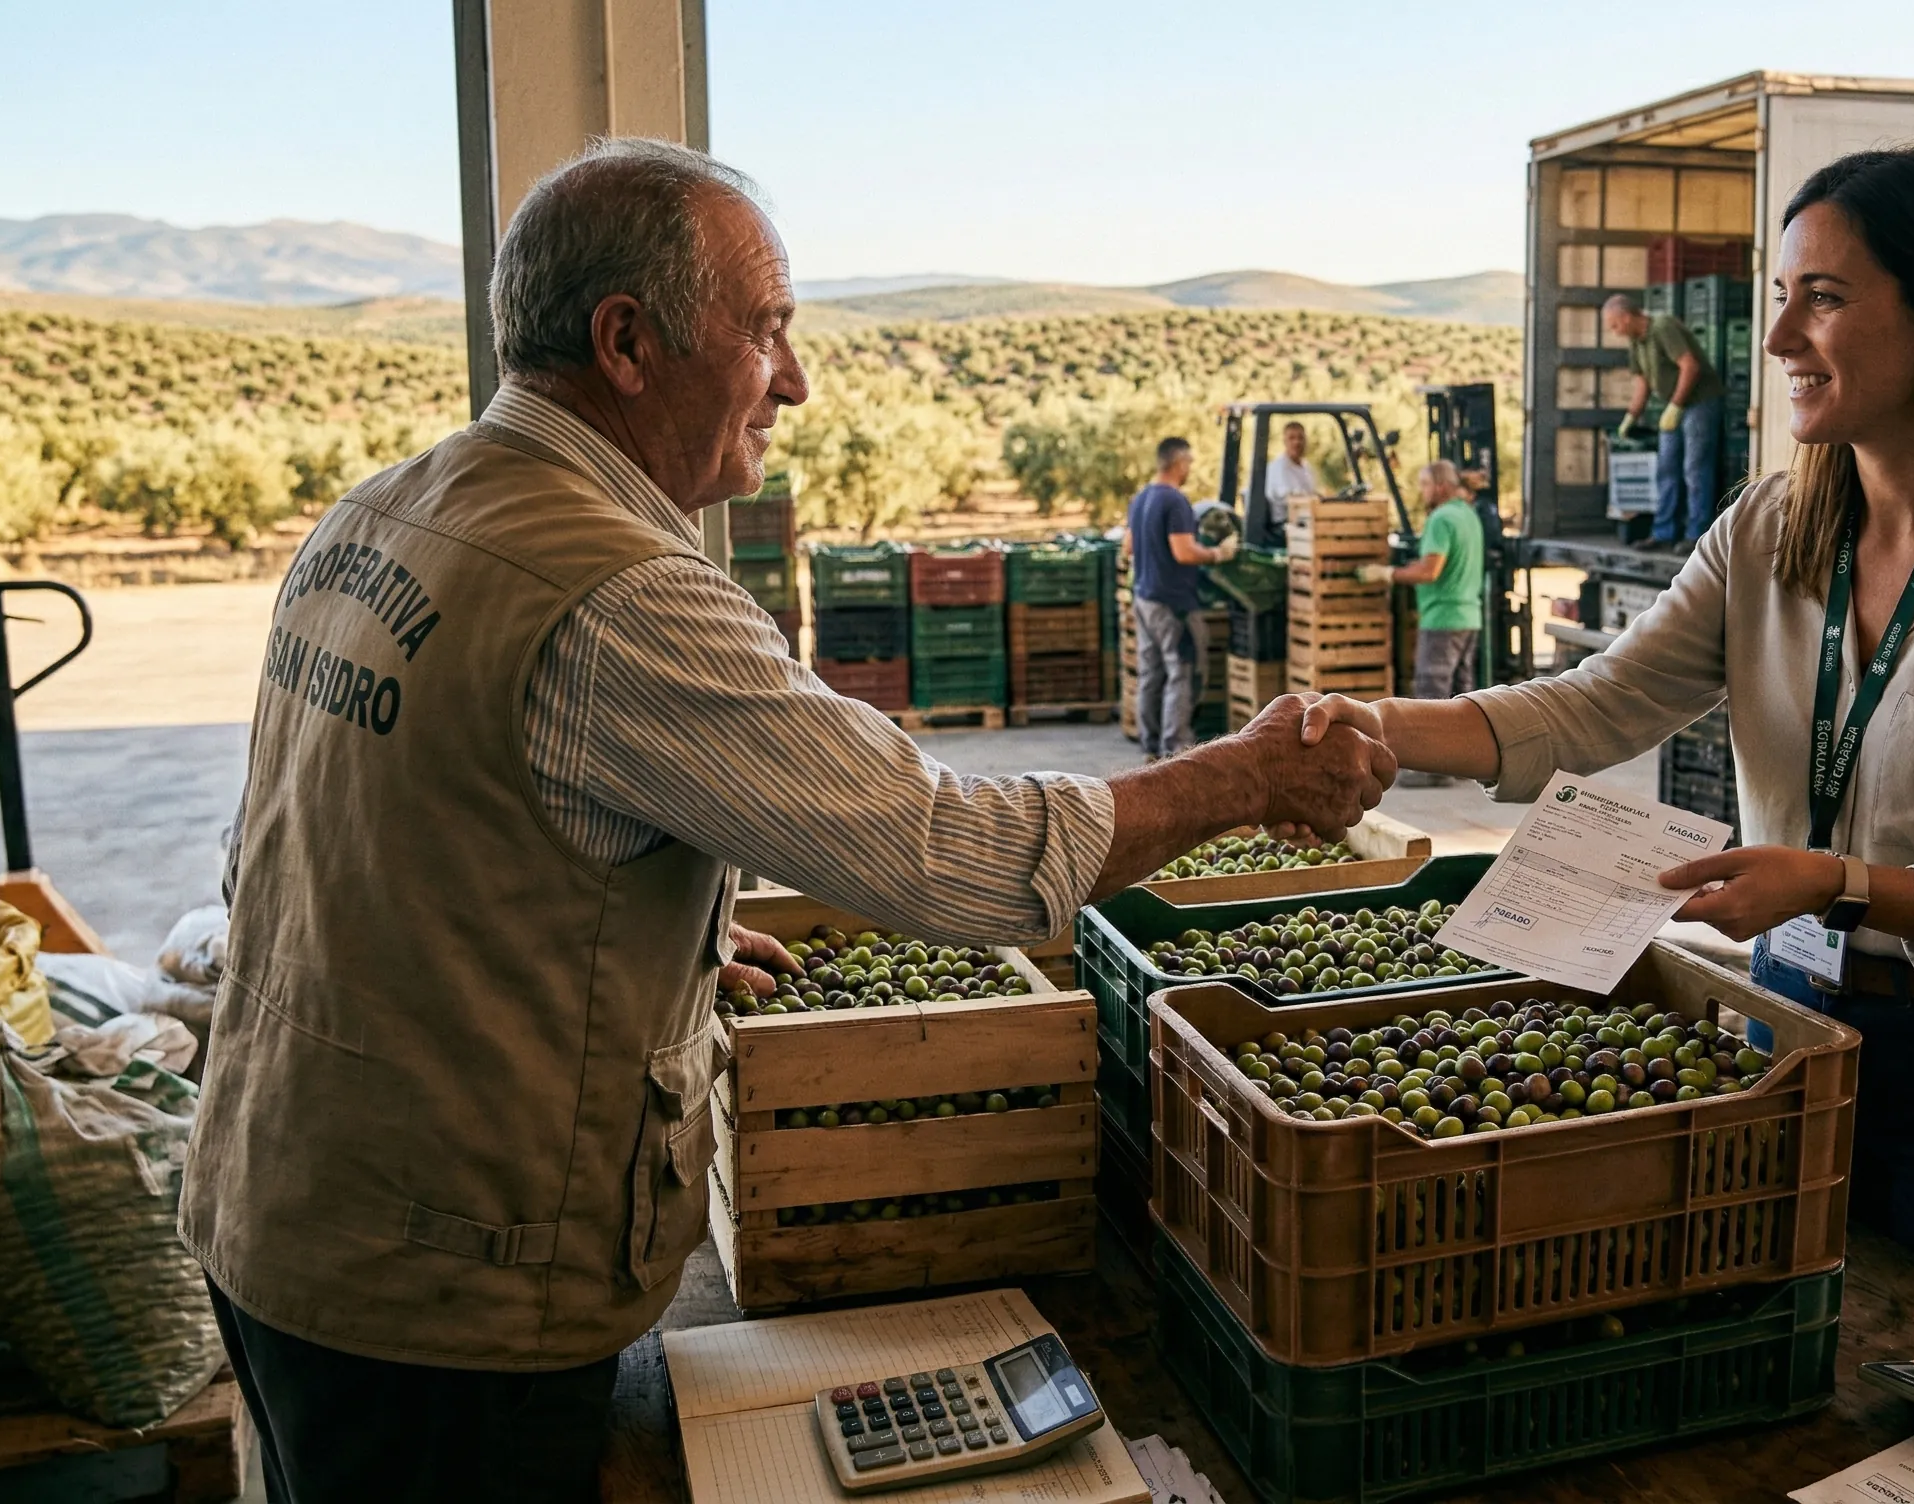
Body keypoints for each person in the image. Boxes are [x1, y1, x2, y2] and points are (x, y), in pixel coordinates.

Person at [183, 139, 1395, 1504]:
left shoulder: (384, 510)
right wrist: (1238, 779)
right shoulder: (616, 589)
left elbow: (345, 860)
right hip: (442, 1296)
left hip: (277, 1207)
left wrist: (649, 954)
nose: (798, 380)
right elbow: (949, 854)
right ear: (628, 342)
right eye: (768, 332)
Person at [1303, 145, 1914, 1326]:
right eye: (1780, 297)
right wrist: (1376, 720)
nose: (1777, 343)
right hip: (1784, 1028)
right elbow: (1594, 704)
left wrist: (1840, 884)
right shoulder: (1768, 530)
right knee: (1786, 1379)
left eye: (1827, 297)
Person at [1130, 436, 1239, 759]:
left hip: (1145, 598)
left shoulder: (1141, 498)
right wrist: (1218, 553)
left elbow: (1128, 546)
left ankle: (1150, 747)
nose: (1190, 468)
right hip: (1173, 603)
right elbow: (1183, 551)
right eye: (1189, 463)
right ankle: (1176, 750)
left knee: (1151, 673)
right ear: (1179, 463)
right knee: (1184, 671)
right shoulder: (1175, 501)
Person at [1378, 460, 1485, 787]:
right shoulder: (1468, 515)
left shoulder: (1441, 519)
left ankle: (1430, 768)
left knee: (1431, 695)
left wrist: (1390, 574)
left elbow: (1430, 572)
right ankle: (1465, 765)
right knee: (1462, 698)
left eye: (1424, 485)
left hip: (1443, 619)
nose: (1422, 492)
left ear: (1440, 486)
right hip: (1469, 616)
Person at [1606, 293, 1722, 550]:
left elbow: (1690, 366)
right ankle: (1663, 532)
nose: (1614, 332)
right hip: (1675, 405)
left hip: (1699, 401)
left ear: (1626, 317)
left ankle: (1697, 536)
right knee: (1666, 468)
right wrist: (1630, 417)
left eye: (1614, 325)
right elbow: (1642, 384)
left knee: (1694, 468)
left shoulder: (1663, 326)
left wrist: (1676, 406)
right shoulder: (1636, 342)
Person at [1263, 420, 1321, 511]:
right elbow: (1289, 499)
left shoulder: (1306, 467)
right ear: (1285, 441)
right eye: (1292, 438)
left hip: (1304, 516)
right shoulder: (1278, 468)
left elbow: (1312, 494)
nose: (1296, 442)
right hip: (1285, 520)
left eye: (1300, 438)